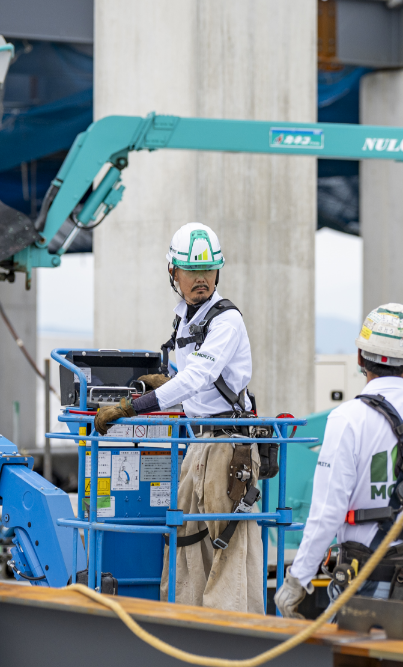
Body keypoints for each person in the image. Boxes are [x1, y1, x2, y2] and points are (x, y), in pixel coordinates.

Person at [93, 222, 262, 613]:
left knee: (228, 547)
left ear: (217, 272)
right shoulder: (186, 322)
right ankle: (185, 624)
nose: (200, 280)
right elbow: (191, 389)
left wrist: (131, 407)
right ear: (174, 273)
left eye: (207, 271)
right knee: (185, 540)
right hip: (198, 446)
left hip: (227, 448)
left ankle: (231, 637)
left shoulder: (226, 321)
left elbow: (198, 377)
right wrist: (165, 385)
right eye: (191, 271)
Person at [275, 304, 403, 634]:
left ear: (361, 357)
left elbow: (327, 512)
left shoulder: (347, 420)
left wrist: (298, 580)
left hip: (364, 586)